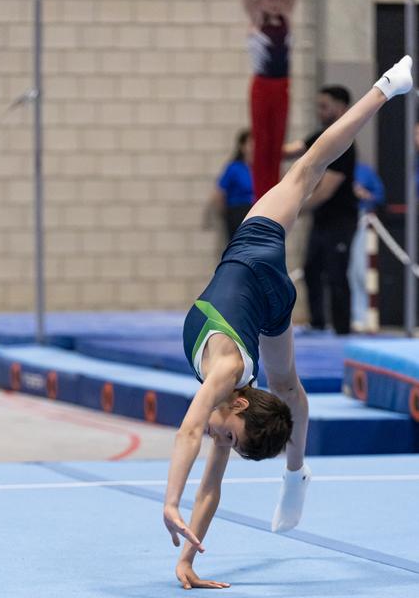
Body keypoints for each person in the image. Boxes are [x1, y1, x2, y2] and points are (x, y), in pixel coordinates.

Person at [163, 56, 413, 590]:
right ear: (238, 403)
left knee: (289, 387)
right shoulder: (224, 374)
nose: (216, 436)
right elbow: (192, 443)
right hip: (260, 253)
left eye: (224, 438)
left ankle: (295, 471)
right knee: (305, 168)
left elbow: (206, 472)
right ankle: (386, 88)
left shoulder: (227, 401)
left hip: (262, 290)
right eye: (226, 432)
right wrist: (174, 518)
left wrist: (184, 550)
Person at [283, 86, 358, 335]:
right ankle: (317, 324)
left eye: (324, 106)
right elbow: (292, 150)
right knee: (312, 269)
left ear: (340, 108)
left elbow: (325, 191)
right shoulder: (321, 136)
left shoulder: (345, 142)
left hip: (341, 220)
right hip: (322, 220)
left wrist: (289, 210)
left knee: (336, 274)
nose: (319, 112)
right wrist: (265, 142)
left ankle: (342, 330)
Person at [236, 0, 304, 200]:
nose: (275, 3)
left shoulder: (286, 17)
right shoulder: (255, 17)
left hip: (282, 86)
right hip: (262, 86)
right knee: (262, 141)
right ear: (260, 1)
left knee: (277, 143)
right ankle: (259, 194)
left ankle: (273, 192)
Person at [348, 163, 386, 332]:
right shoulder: (330, 169)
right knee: (349, 272)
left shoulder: (364, 171)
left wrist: (363, 194)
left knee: (361, 269)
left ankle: (365, 316)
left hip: (363, 219)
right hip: (342, 220)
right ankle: (355, 316)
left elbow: (379, 196)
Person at [204, 129, 254, 243]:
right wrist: (224, 214)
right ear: (242, 147)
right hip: (238, 212)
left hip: (255, 212)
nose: (254, 147)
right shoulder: (234, 167)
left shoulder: (258, 169)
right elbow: (219, 192)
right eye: (251, 144)